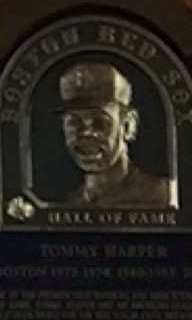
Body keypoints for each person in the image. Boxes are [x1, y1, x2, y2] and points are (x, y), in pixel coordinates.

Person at [55, 62, 177, 210]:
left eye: (100, 122)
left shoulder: (163, 195)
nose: (86, 133)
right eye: (74, 122)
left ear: (128, 126)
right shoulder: (71, 203)